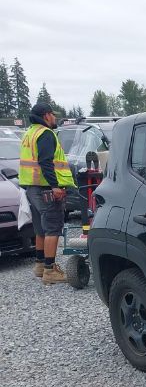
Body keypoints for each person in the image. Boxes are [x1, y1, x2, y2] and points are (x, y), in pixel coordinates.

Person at [18, 103, 76, 284]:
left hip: (32, 188)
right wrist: (55, 186)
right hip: (45, 188)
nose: (55, 118)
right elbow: (46, 162)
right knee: (53, 227)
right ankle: (50, 270)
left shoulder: (29, 133)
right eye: (53, 115)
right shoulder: (45, 134)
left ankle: (40, 264)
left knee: (40, 228)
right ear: (46, 116)